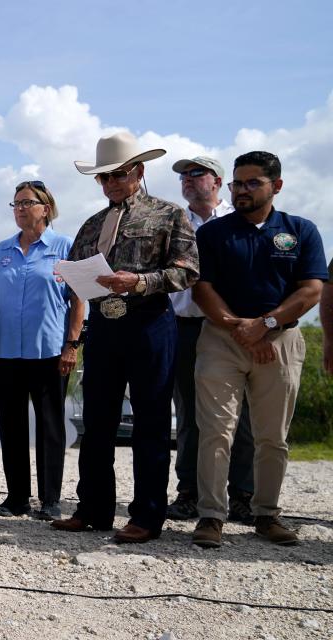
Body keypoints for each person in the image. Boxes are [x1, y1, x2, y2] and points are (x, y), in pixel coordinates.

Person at [51, 131, 198, 543]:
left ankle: (147, 517)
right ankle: (93, 509)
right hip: (104, 327)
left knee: (150, 423)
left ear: (139, 172)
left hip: (150, 323)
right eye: (104, 178)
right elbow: (77, 274)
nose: (112, 183)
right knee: (97, 422)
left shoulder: (169, 215)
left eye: (119, 175)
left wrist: (139, 281)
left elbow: (187, 270)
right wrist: (66, 276)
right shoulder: (93, 223)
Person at [191, 151, 326, 548]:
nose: (242, 190)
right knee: (216, 431)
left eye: (252, 183)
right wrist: (239, 328)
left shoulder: (300, 231)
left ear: (276, 186)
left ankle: (266, 514)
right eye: (237, 183)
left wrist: (266, 325)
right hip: (221, 338)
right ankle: (211, 516)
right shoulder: (213, 234)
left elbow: (311, 289)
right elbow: (201, 289)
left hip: (280, 341)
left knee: (272, 436)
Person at [0, 181, 84, 521]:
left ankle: (51, 500)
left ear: (46, 207)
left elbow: (78, 300)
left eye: (27, 202)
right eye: (16, 204)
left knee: (50, 426)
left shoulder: (64, 246)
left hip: (50, 352)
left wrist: (72, 345)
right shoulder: (3, 250)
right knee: (10, 425)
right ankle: (17, 498)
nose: (20, 209)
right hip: (5, 351)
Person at [166, 157, 255, 524]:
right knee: (188, 414)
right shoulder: (174, 222)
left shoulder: (238, 223)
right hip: (184, 326)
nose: (187, 179)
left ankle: (242, 496)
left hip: (230, 328)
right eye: (183, 175)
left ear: (218, 181)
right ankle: (189, 493)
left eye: (195, 173)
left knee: (241, 417)